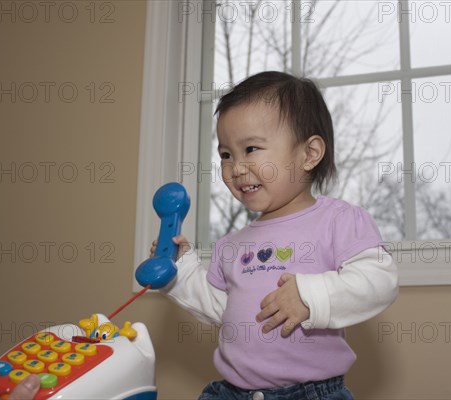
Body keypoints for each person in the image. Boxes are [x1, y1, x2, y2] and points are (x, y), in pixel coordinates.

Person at [154, 71, 398, 399]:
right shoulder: (231, 245)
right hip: (231, 392)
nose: (236, 168)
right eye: (226, 154)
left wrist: (311, 296)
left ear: (309, 154)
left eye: (251, 148)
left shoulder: (338, 221)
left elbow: (379, 281)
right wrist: (179, 271)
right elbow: (221, 310)